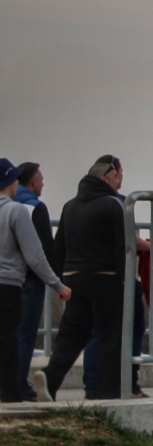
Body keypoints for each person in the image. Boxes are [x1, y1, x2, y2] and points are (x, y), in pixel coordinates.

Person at [41, 155, 137, 400]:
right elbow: (121, 247)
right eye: (117, 175)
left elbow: (58, 246)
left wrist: (61, 279)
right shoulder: (112, 205)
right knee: (110, 336)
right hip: (106, 277)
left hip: (73, 278)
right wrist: (124, 280)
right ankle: (107, 392)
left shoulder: (70, 206)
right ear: (105, 178)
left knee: (72, 334)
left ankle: (50, 379)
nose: (120, 180)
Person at [0, 159, 69, 403]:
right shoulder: (17, 211)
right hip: (9, 285)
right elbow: (36, 255)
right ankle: (11, 392)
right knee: (15, 338)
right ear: (10, 181)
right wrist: (57, 284)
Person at [9, 162, 56, 397]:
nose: (44, 183)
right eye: (42, 179)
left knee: (7, 333)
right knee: (25, 334)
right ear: (33, 182)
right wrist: (55, 279)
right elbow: (43, 248)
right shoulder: (34, 207)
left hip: (7, 279)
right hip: (28, 280)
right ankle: (17, 385)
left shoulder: (7, 205)